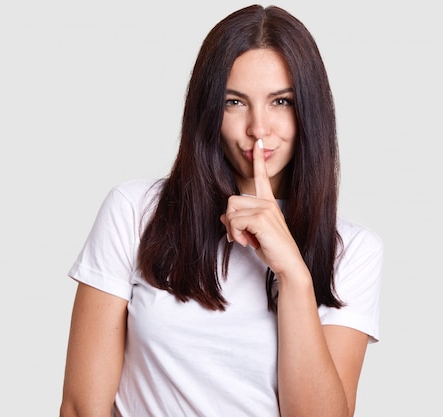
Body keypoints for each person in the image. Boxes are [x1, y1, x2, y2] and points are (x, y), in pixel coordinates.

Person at [60, 4, 383, 417]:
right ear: (209, 111)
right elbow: (79, 407)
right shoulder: (136, 212)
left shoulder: (353, 252)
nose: (258, 128)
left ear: (310, 113)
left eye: (281, 101)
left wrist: (294, 276)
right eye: (234, 102)